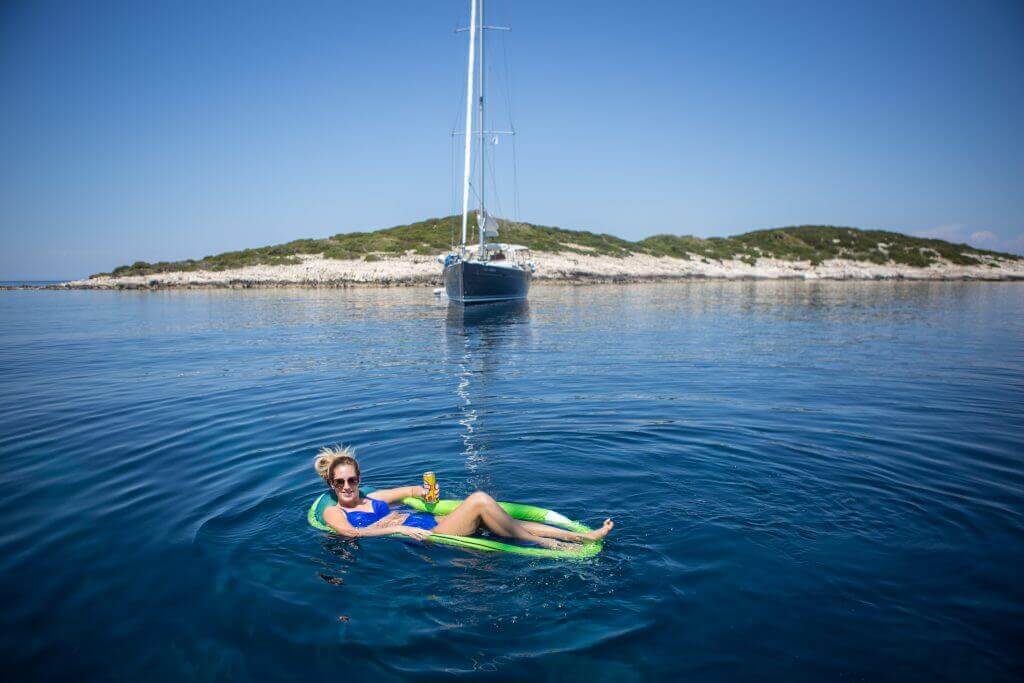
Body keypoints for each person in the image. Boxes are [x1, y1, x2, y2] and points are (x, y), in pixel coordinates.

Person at [314, 445, 613, 550]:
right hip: (428, 535)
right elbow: (352, 532)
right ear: (331, 483)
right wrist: (397, 528)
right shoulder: (333, 511)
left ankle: (582, 537)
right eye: (339, 482)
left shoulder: (375, 496)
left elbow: (408, 491)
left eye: (352, 479)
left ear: (359, 478)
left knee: (510, 521)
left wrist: (424, 492)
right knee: (481, 500)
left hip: (432, 520)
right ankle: (550, 545)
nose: (347, 486)